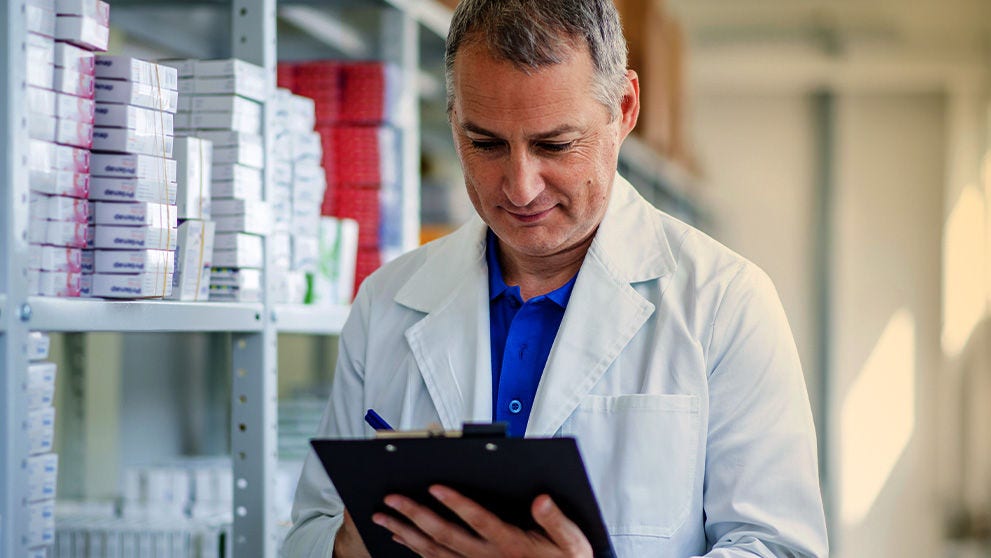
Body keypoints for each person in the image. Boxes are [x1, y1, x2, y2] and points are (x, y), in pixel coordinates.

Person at [283, 0, 829, 556]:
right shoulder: (387, 302)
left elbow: (779, 547)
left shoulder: (724, 302)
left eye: (555, 145)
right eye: (486, 143)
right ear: (452, 116)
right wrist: (353, 543)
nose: (520, 187)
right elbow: (305, 532)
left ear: (624, 109)